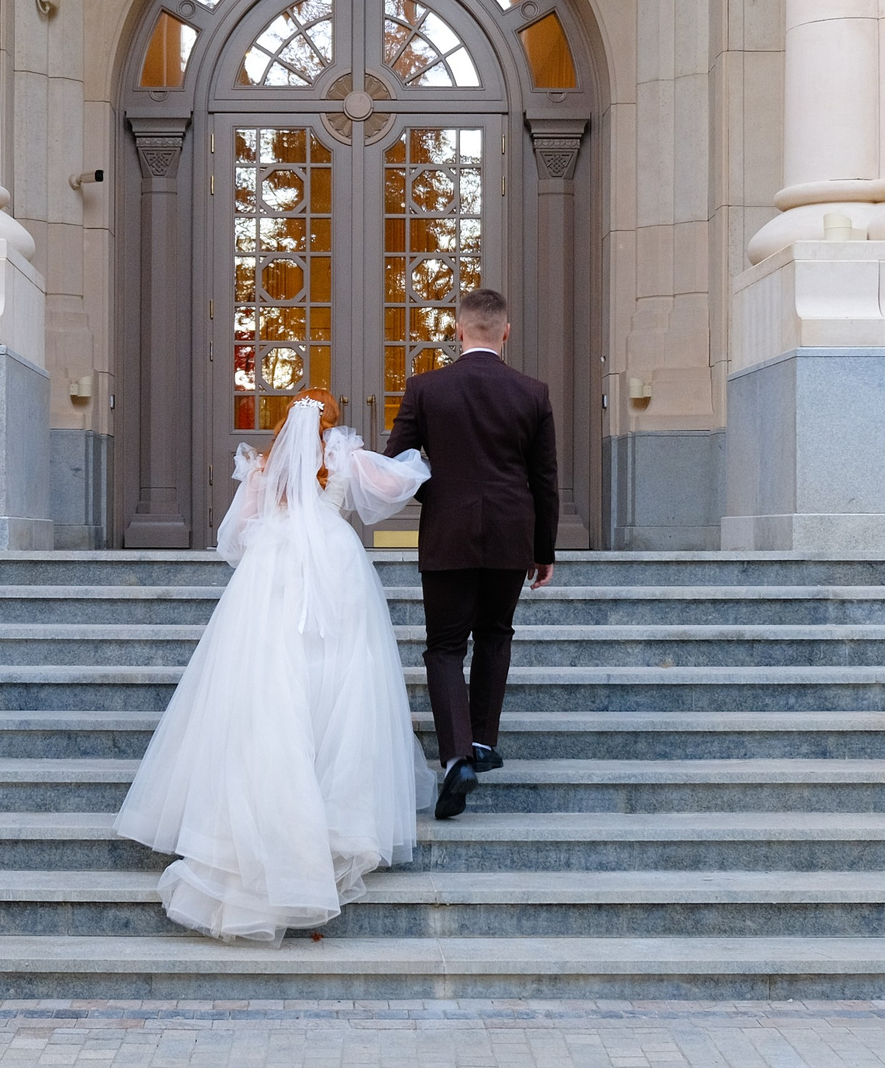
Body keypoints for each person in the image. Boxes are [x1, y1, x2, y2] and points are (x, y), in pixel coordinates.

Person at [114, 389, 433, 942]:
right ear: (332, 422)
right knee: (341, 678)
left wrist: (272, 532)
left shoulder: (265, 466)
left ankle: (270, 815)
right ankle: (335, 809)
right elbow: (397, 485)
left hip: (275, 570)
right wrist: (422, 457)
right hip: (335, 567)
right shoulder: (343, 455)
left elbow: (236, 537)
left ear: (288, 420)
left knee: (268, 677)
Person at [382, 289, 559, 820]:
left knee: (444, 647)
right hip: (511, 533)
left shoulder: (425, 388)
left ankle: (457, 756)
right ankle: (482, 741)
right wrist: (543, 549)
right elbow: (545, 480)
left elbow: (396, 463)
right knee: (496, 635)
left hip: (448, 533)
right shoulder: (533, 392)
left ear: (458, 330)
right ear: (506, 332)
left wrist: (439, 496)